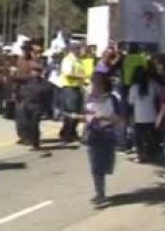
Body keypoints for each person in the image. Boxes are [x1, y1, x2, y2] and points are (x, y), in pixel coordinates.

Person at [81, 74, 121, 206]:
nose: (95, 87)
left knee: (105, 165)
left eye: (97, 84)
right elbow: (86, 115)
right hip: (94, 135)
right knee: (95, 166)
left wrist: (103, 118)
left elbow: (118, 119)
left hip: (107, 134)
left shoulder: (112, 99)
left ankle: (100, 192)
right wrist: (87, 120)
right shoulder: (90, 99)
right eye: (93, 84)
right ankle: (100, 193)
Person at [16, 63, 51, 152]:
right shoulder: (26, 81)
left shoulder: (44, 84)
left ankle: (35, 143)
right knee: (28, 124)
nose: (35, 73)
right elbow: (15, 81)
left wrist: (46, 110)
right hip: (26, 105)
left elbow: (47, 97)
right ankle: (31, 140)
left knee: (34, 125)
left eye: (37, 71)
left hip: (38, 106)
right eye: (33, 71)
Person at [128, 66, 159, 163]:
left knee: (139, 138)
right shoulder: (152, 85)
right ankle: (151, 155)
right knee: (149, 137)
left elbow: (130, 102)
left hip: (139, 116)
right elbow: (158, 96)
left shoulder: (134, 88)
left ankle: (141, 156)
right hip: (151, 115)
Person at [59, 42, 86, 143]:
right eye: (79, 49)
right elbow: (68, 74)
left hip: (77, 87)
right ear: (74, 50)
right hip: (69, 88)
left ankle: (72, 132)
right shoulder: (68, 60)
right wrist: (81, 77)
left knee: (77, 112)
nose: (81, 51)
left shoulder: (78, 60)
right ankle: (66, 134)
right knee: (71, 112)